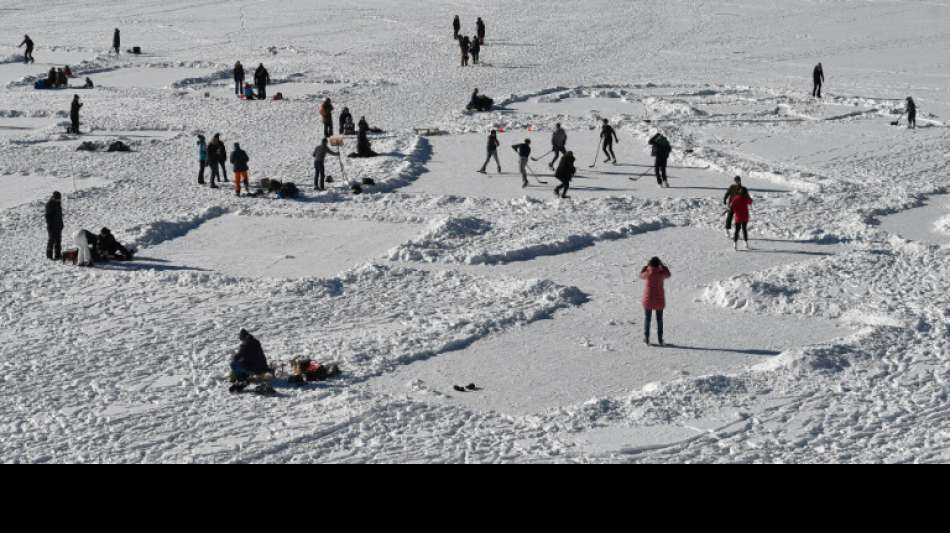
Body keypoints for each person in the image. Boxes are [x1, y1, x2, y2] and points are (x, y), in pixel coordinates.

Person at [640, 257, 671, 346]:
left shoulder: (648, 273)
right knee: (659, 320)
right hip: (659, 300)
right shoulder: (661, 273)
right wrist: (664, 266)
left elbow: (641, 275)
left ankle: (646, 338)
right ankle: (660, 339)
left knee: (647, 319)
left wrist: (645, 267)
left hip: (648, 300)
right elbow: (668, 274)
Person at [45, 191, 63, 261]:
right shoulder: (49, 205)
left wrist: (61, 224)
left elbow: (60, 215)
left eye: (59, 198)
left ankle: (58, 255)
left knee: (58, 240)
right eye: (57, 198)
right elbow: (48, 217)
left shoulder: (58, 203)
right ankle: (49, 256)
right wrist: (50, 225)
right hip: (52, 226)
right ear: (54, 197)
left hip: (58, 225)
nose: (59, 200)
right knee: (51, 240)